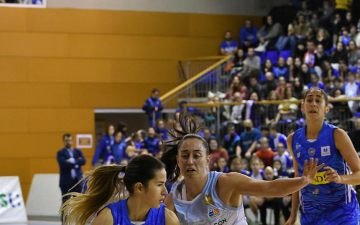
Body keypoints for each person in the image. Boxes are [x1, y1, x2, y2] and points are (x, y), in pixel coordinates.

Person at [161, 115, 324, 225]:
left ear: (208, 160)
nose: (190, 161)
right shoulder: (174, 198)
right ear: (178, 160)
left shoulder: (226, 182)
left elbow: (272, 187)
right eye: (184, 155)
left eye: (197, 155)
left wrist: (303, 180)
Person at [285, 88, 360, 225]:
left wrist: (340, 178)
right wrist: (293, 215)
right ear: (303, 106)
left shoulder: (338, 135)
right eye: (309, 100)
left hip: (342, 213)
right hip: (311, 215)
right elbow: (298, 178)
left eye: (318, 100)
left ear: (326, 108)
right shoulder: (293, 139)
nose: (313, 104)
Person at [60, 154, 179, 225]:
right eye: (159, 185)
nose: (165, 191)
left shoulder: (168, 219)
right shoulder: (108, 218)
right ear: (139, 188)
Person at [57, 133, 86, 221]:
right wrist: (77, 163)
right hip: (66, 182)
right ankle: (64, 222)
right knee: (65, 203)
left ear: (72, 141)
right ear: (64, 142)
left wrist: (72, 160)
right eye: (66, 141)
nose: (68, 142)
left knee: (79, 203)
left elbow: (83, 161)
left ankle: (79, 221)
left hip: (77, 181)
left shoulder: (78, 151)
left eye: (70, 140)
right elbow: (63, 164)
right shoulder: (60, 152)